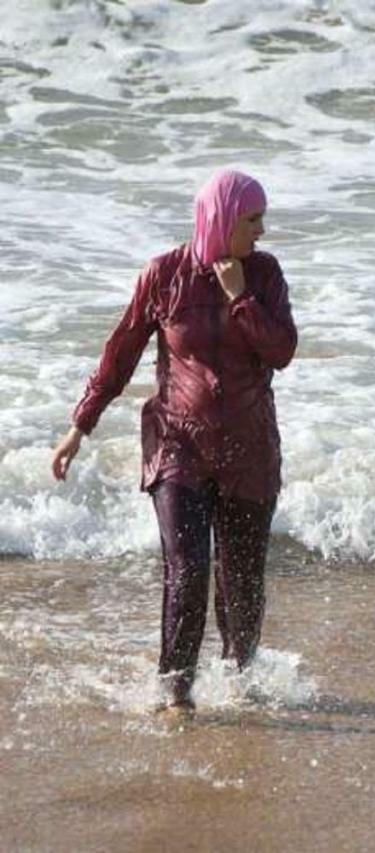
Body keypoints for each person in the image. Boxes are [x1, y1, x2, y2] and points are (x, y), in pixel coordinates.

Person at [51, 169, 297, 713]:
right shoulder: (165, 274)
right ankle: (175, 697)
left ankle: (238, 686)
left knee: (242, 583)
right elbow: (120, 354)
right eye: (252, 220)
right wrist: (79, 427)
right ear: (224, 218)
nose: (262, 230)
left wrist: (241, 299)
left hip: (249, 450)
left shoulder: (265, 275)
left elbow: (281, 351)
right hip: (177, 444)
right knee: (187, 571)